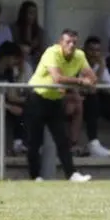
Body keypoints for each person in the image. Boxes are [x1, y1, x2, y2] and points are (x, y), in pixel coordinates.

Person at [25, 29, 94, 182]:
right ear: (60, 43)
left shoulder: (79, 55)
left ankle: (71, 174)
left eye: (74, 42)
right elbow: (57, 78)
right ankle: (35, 176)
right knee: (35, 141)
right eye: (68, 42)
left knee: (62, 139)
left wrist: (88, 81)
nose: (71, 45)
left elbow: (92, 77)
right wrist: (81, 82)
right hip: (36, 97)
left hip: (55, 100)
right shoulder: (52, 52)